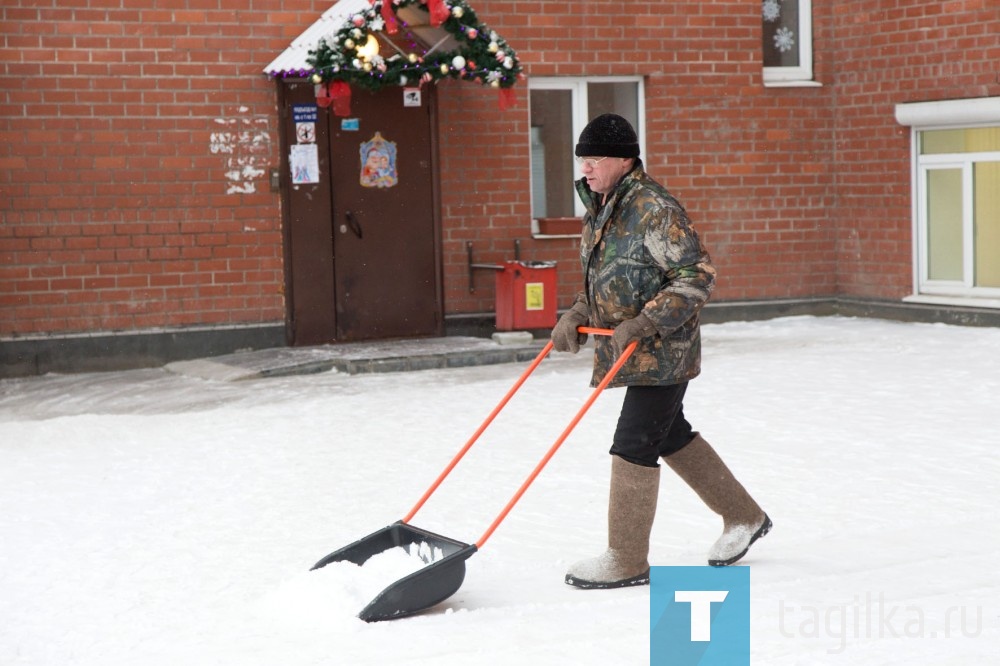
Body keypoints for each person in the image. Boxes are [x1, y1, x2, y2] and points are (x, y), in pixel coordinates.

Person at [552, 113, 772, 589]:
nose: (585, 169)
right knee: (669, 435)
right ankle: (745, 517)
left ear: (623, 159)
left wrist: (648, 321)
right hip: (631, 351)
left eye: (594, 159)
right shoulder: (602, 206)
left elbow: (696, 276)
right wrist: (574, 314)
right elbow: (601, 282)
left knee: (633, 442)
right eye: (582, 160)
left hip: (664, 350)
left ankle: (626, 559)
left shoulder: (654, 208)